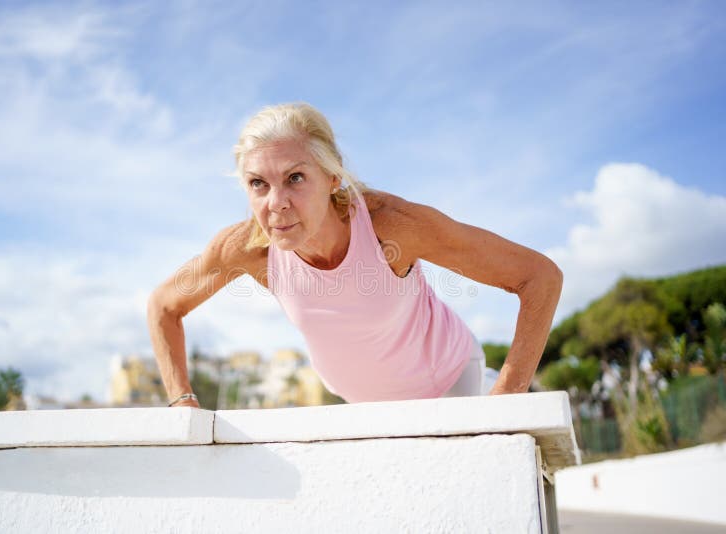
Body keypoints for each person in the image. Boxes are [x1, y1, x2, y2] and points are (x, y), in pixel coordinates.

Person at [147, 103, 563, 409]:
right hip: (366, 408)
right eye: (258, 183)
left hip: (454, 387)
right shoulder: (248, 250)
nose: (277, 203)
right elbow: (164, 305)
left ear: (331, 176)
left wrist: (505, 403)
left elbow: (539, 277)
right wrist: (182, 402)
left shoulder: (391, 225)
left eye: (295, 178)